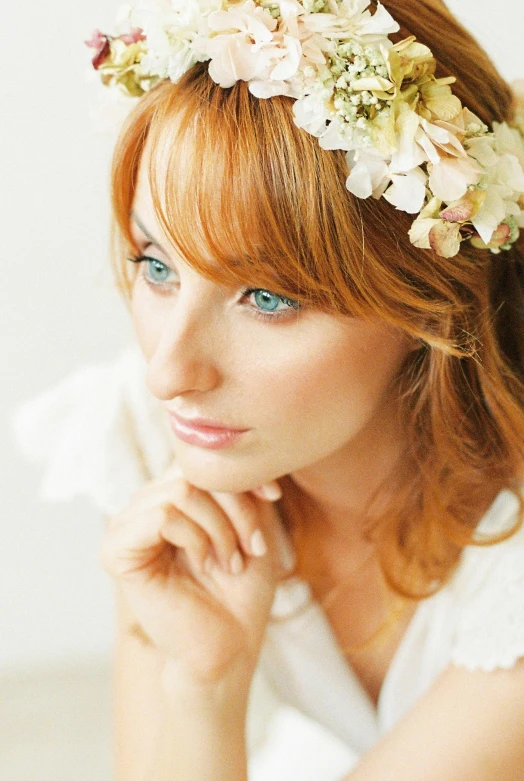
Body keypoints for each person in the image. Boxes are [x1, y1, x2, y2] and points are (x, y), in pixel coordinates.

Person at [12, 0, 524, 778]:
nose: (168, 372)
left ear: (427, 301)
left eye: (269, 298)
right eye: (157, 266)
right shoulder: (168, 437)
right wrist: (205, 685)